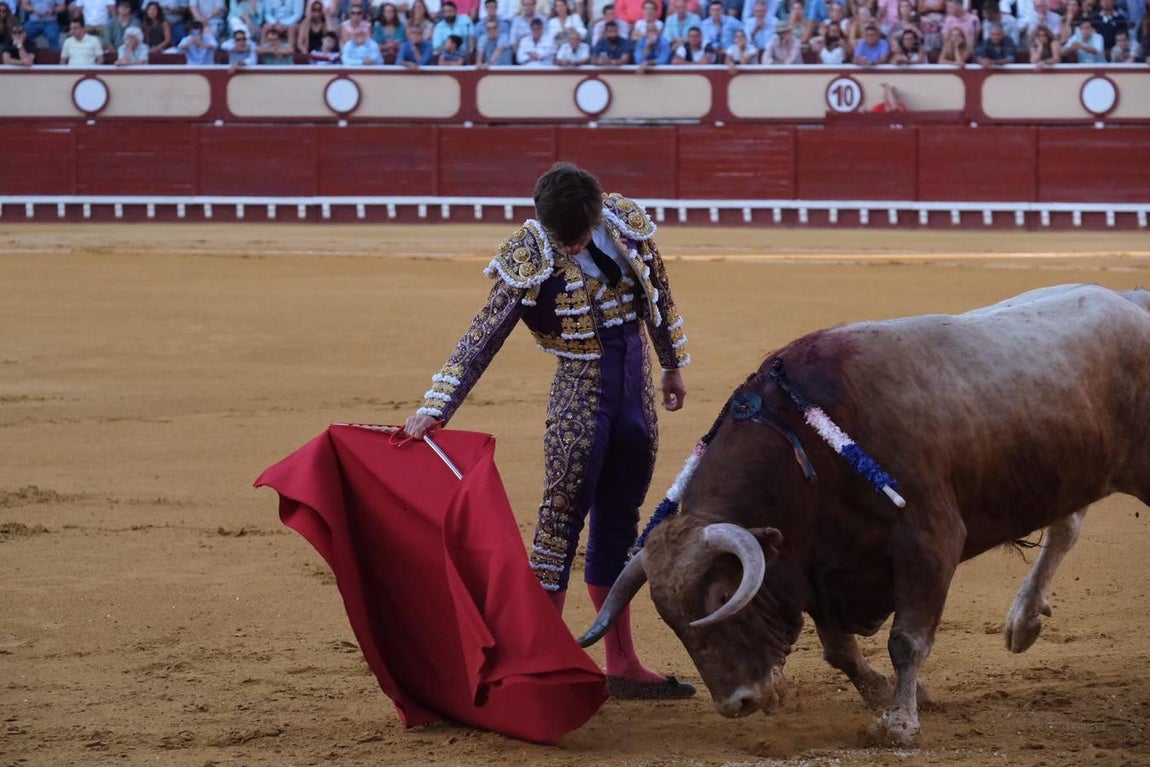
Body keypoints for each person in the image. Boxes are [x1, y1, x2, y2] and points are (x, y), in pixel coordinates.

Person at [403, 163, 695, 701]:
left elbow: (658, 290)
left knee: (619, 526)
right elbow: (482, 333)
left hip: (635, 397)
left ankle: (623, 662)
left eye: (578, 235)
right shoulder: (529, 253)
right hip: (580, 402)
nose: (571, 244)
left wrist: (673, 362)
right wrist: (436, 406)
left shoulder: (624, 223)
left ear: (595, 211)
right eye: (563, 237)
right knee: (558, 529)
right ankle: (539, 664)